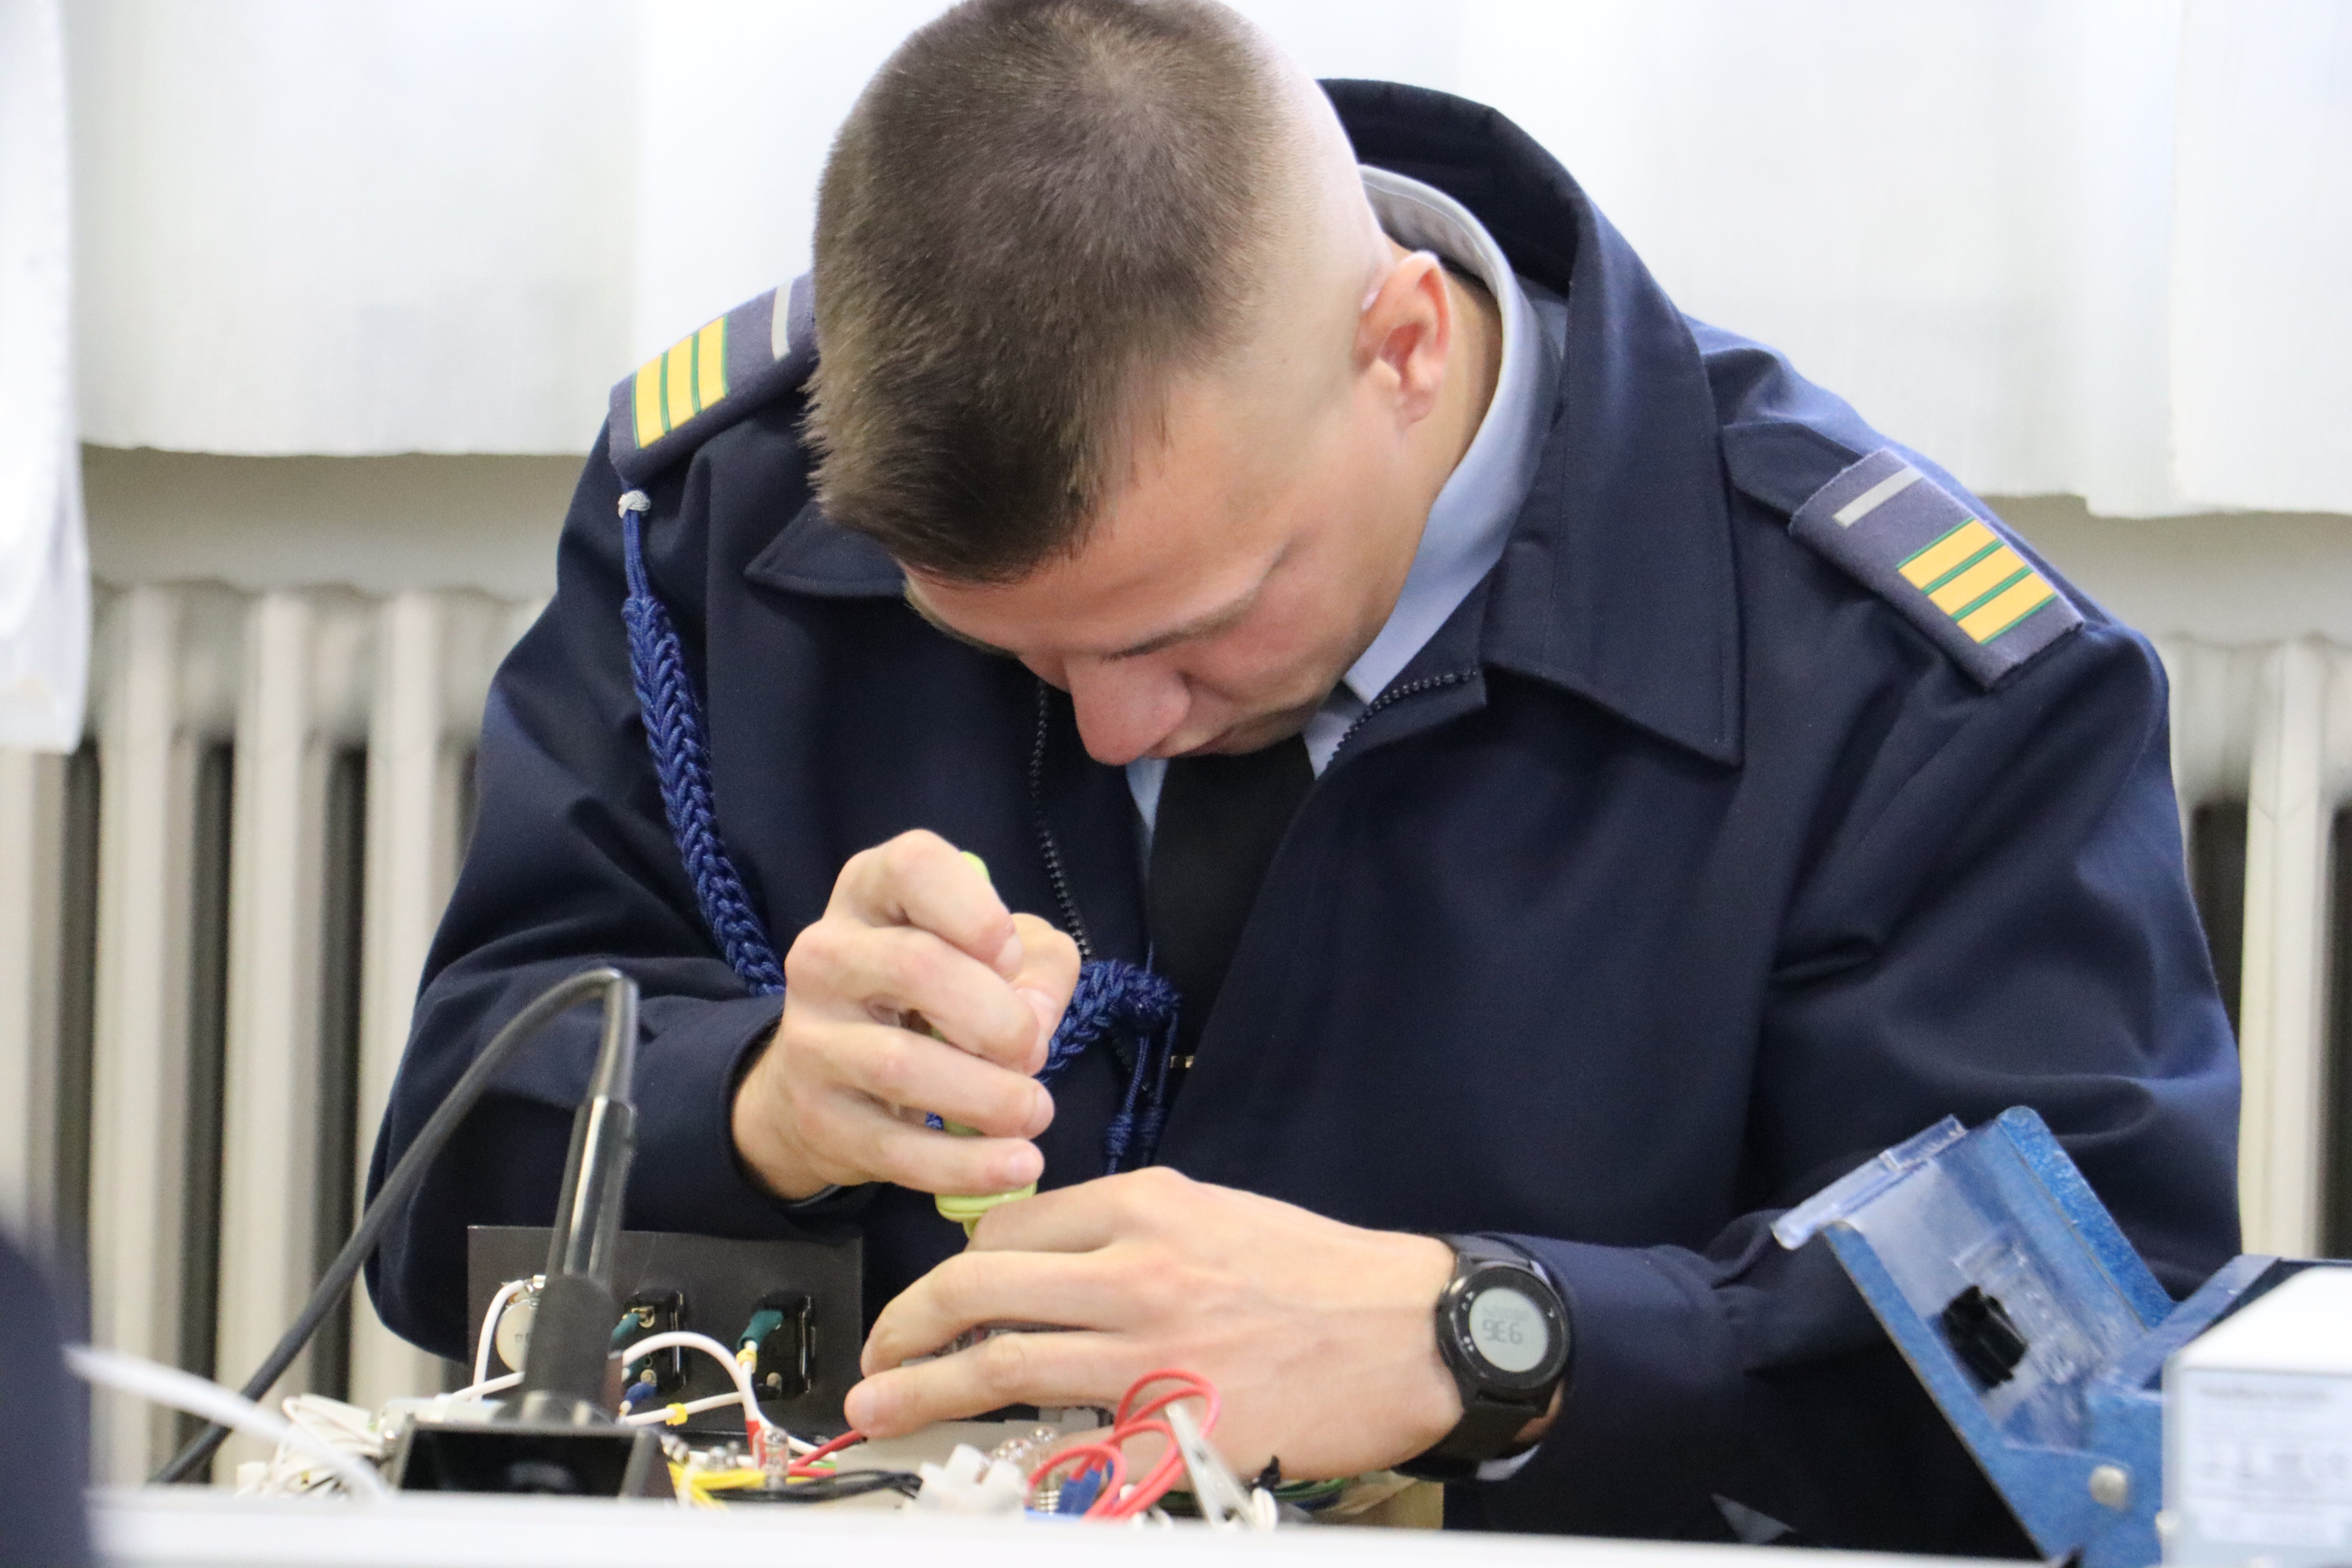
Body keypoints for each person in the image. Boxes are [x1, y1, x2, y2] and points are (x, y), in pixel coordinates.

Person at [367, 0, 2238, 1548]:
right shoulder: (717, 517)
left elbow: (2080, 1400)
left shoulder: (1920, 689)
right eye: (1008, 647)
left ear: (1404, 347)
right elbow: (438, 1220)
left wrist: (1492, 1338)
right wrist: (756, 1098)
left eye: (1198, 624)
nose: (1114, 726)